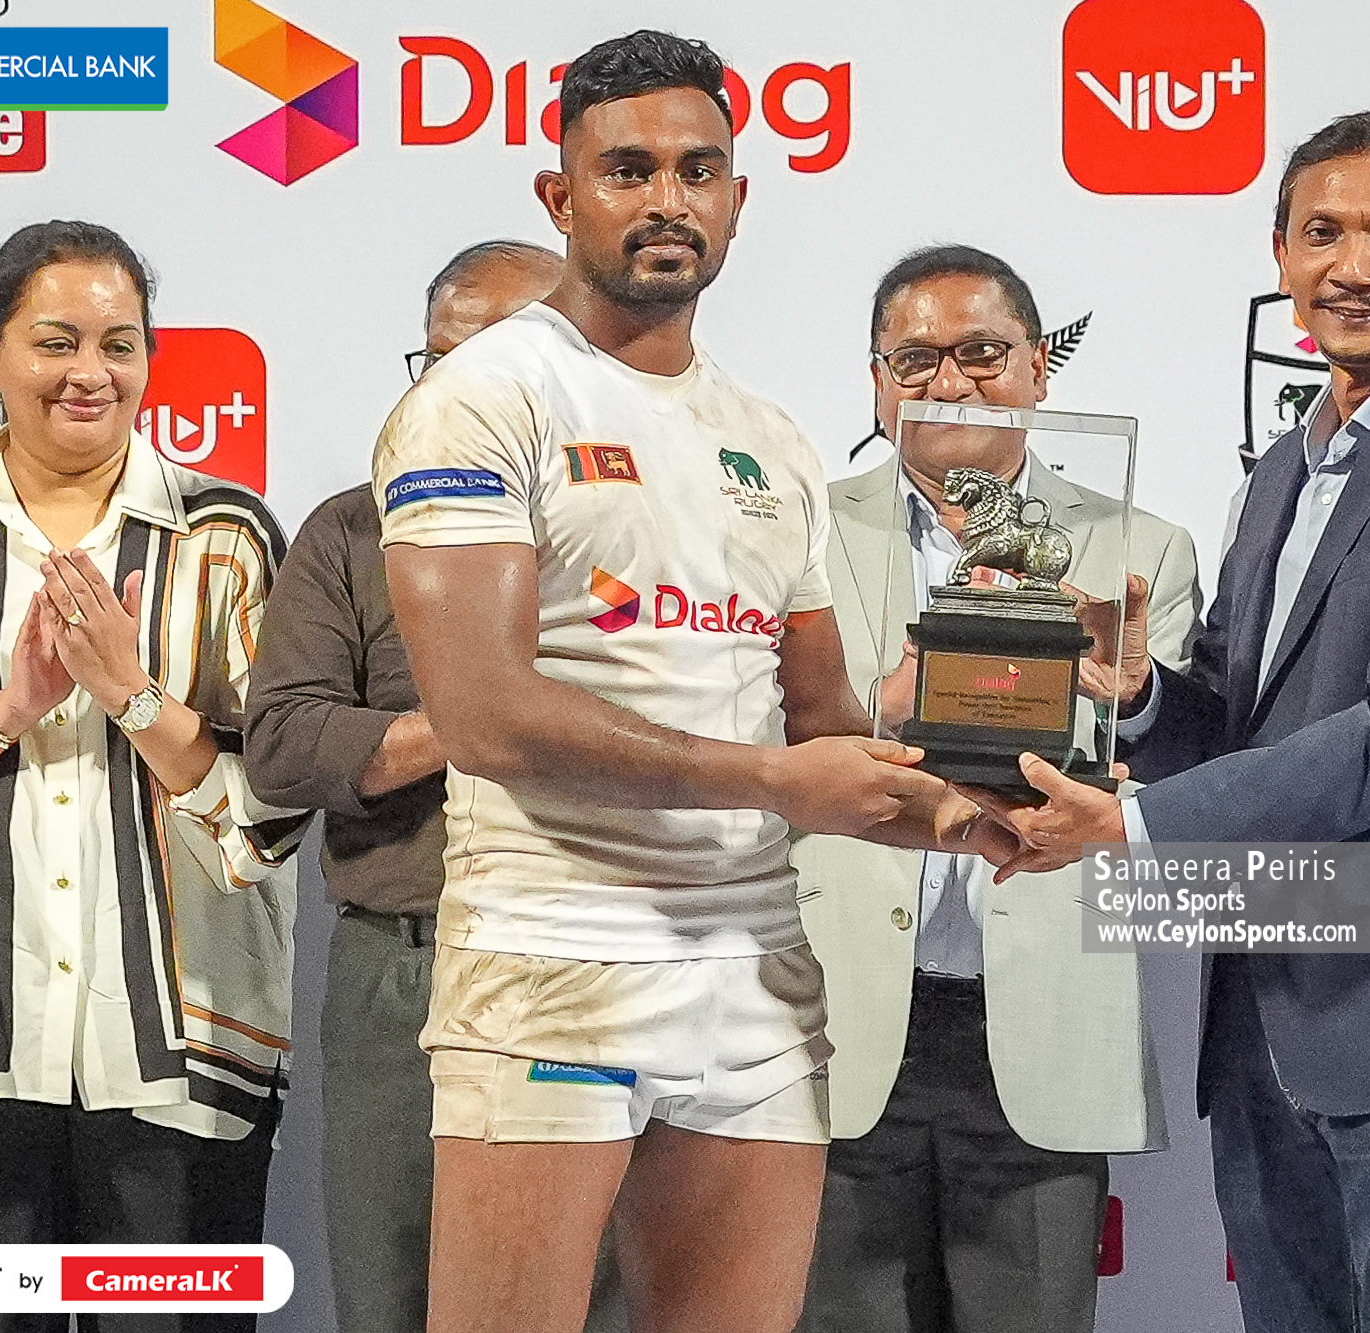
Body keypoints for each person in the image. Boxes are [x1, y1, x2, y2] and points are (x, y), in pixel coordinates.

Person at [370, 31, 999, 1333]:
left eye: (697, 170)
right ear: (560, 196)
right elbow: (482, 714)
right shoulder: (482, 398)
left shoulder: (769, 438)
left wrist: (975, 815)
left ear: (737, 198)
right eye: (629, 170)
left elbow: (824, 728)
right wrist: (774, 778)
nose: (667, 199)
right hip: (552, 958)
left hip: (753, 971)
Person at [973, 110, 1370, 1333]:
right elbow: (1242, 722)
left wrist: (1132, 830)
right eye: (1322, 233)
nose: (1352, 266)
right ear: (1279, 256)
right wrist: (1139, 691)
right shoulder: (1283, 469)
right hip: (1262, 1029)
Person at [0, 220, 301, 1332]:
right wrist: (6, 712)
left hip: (181, 1060)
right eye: (55, 341)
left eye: (120, 344)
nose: (91, 372)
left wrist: (132, 694)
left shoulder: (224, 537)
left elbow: (273, 807)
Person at [792, 244, 1200, 1333]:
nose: (949, 381)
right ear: (876, 383)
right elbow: (756, 749)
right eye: (914, 357)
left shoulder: (1140, 548)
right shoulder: (797, 529)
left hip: (1042, 1024)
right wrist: (882, 705)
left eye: (981, 353)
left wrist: (1134, 692)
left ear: (1037, 370)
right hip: (831, 1024)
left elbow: (1166, 773)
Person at [243, 240, 564, 1333]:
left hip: (593, 963)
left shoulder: (647, 531)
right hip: (401, 970)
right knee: (391, 1294)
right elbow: (284, 745)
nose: (455, 393)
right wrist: (480, 715)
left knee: (593, 1293)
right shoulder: (351, 529)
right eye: (437, 363)